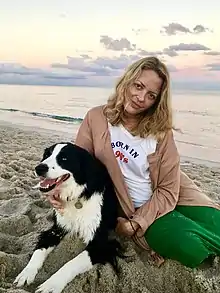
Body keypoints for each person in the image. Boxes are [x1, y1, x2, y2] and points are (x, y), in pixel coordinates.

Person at [47, 56, 220, 269]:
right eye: (138, 86)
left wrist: (134, 225)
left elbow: (167, 188)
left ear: (157, 101)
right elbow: (76, 167)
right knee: (188, 246)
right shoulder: (96, 118)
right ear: (127, 81)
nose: (140, 97)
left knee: (216, 222)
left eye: (151, 95)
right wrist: (57, 191)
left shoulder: (161, 133)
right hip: (136, 208)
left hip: (173, 195)